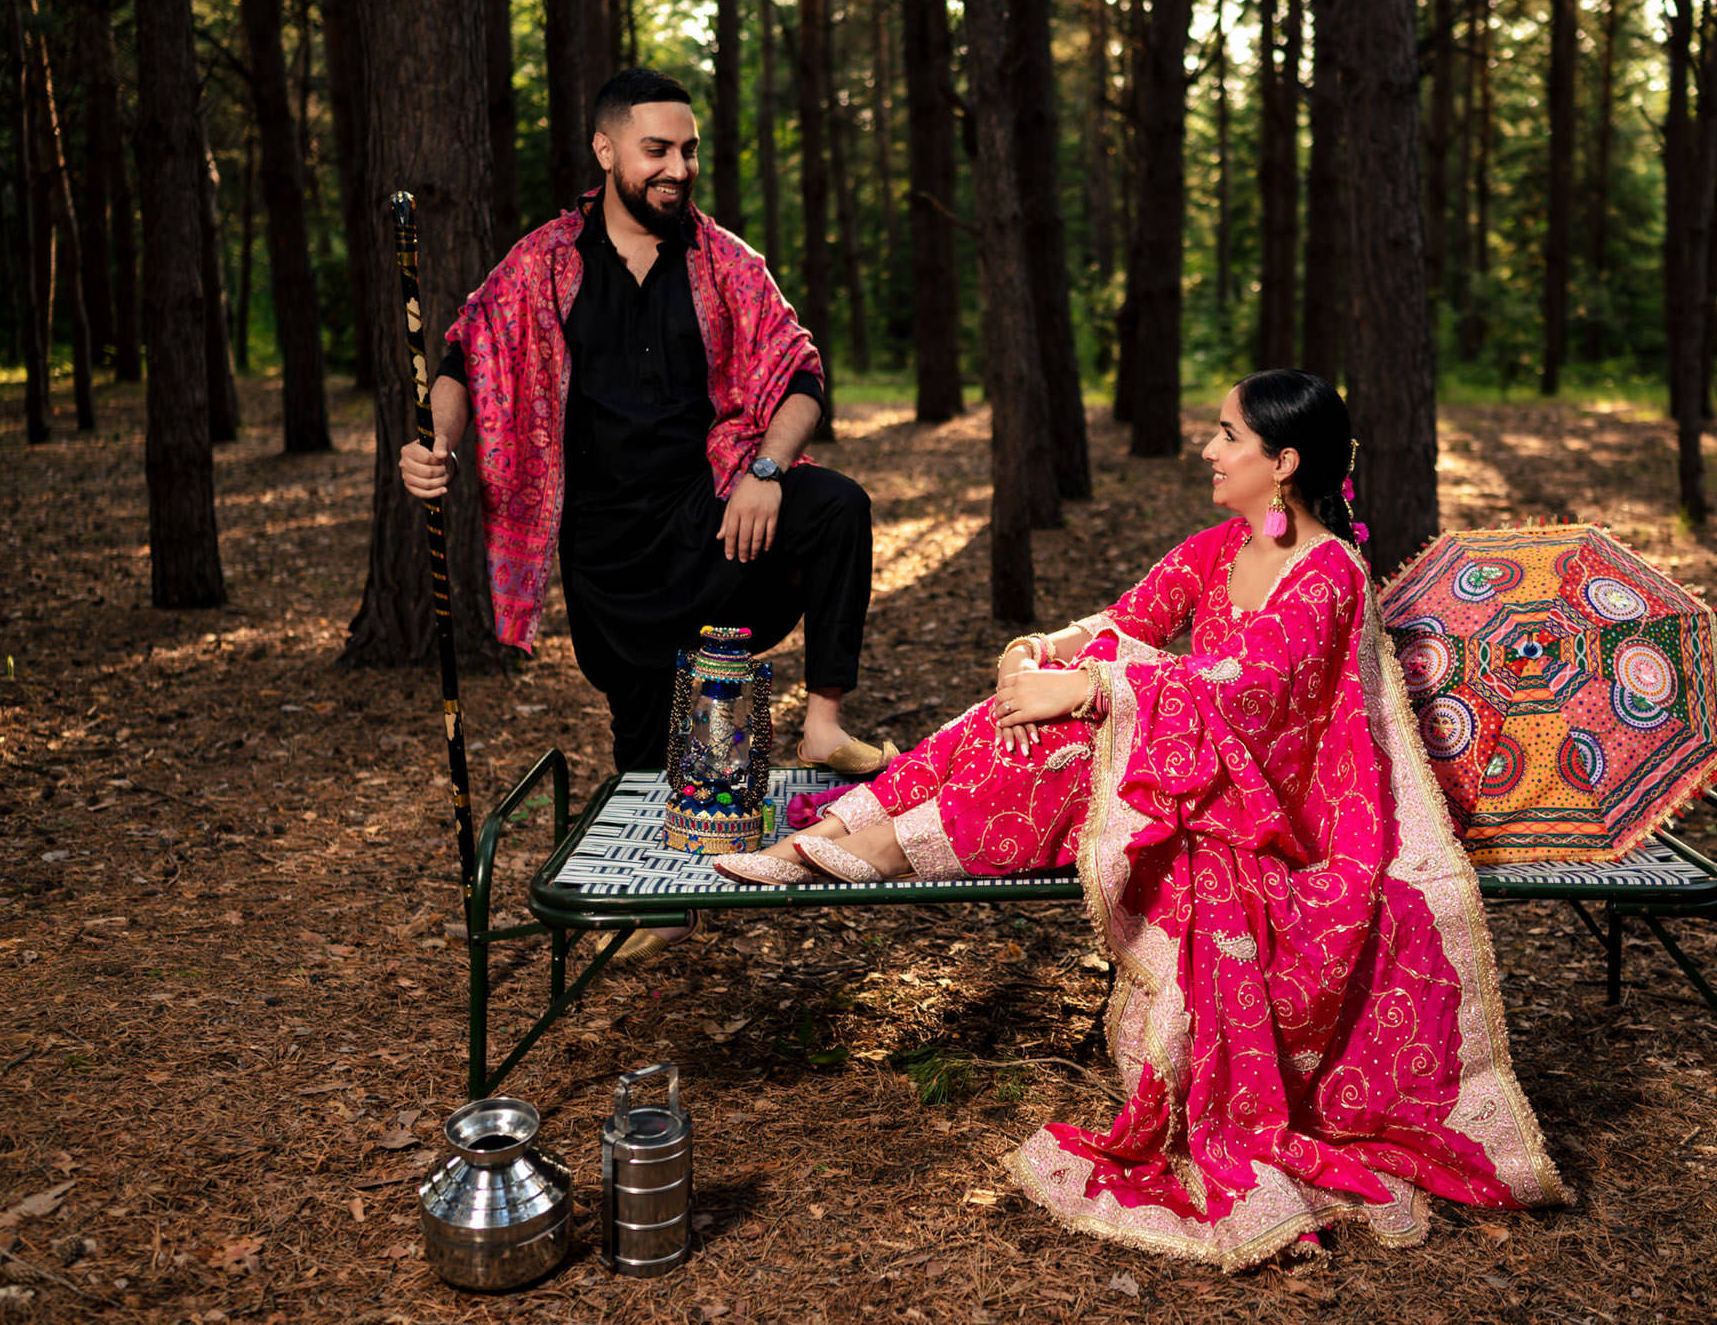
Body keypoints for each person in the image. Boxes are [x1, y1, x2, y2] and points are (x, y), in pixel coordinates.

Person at [717, 370, 1569, 1267]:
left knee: (1078, 747)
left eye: (1226, 434)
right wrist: (1052, 652)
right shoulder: (1220, 547)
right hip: (1196, 777)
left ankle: (865, 845)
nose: (1207, 448)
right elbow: (1130, 619)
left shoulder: (1329, 576)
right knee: (1027, 720)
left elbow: (1253, 697)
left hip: (1269, 823)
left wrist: (1090, 688)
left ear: (1281, 463)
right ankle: (853, 832)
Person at [400, 67, 893, 780]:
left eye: (688, 152)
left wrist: (765, 471)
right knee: (651, 775)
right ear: (606, 151)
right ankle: (663, 884)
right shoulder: (544, 263)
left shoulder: (725, 261)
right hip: (610, 562)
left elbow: (802, 376)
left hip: (716, 526)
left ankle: (821, 724)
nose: (678, 169)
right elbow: (464, 357)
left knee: (837, 507)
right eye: (657, 150)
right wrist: (437, 445)